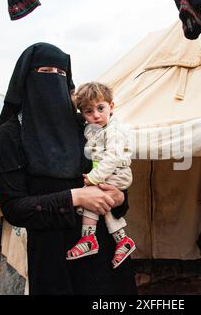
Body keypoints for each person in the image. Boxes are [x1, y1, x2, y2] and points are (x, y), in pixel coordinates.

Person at [0, 43, 137, 295]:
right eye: (45, 72)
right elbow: (14, 208)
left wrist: (120, 197)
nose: (54, 80)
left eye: (61, 74)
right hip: (53, 256)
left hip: (102, 250)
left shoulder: (86, 127)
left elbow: (114, 181)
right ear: (26, 80)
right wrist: (75, 196)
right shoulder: (11, 135)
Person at [66, 82, 136, 269]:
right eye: (89, 111)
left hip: (116, 172)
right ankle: (122, 241)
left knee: (91, 195)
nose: (96, 115)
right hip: (109, 172)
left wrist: (93, 178)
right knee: (101, 204)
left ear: (111, 106)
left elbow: (112, 158)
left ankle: (88, 238)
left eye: (100, 108)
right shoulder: (98, 130)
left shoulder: (114, 131)